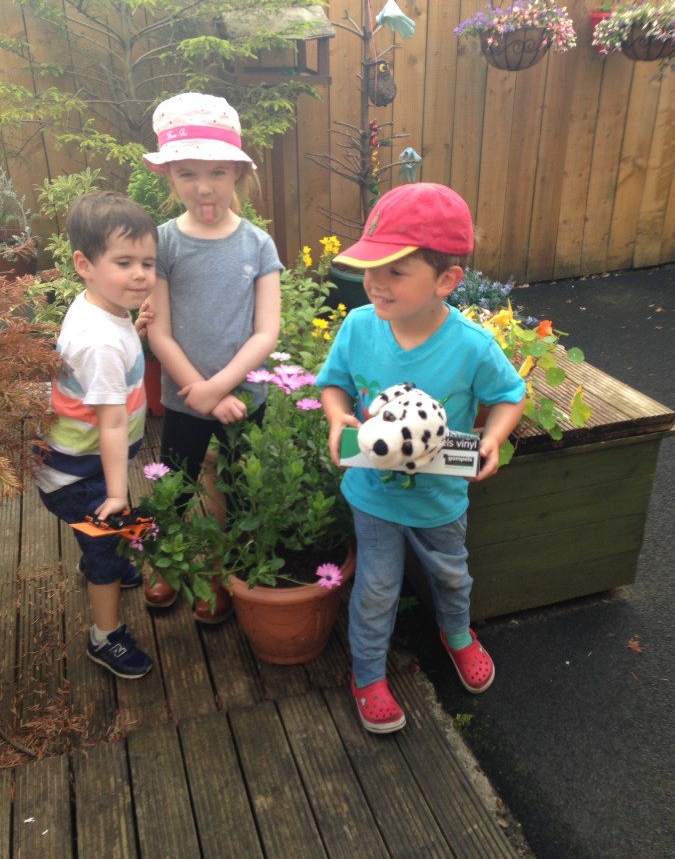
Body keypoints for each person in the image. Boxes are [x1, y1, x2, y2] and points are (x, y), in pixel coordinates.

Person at [316, 183, 526, 734]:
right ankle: (367, 674)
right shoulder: (359, 326)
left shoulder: (472, 346)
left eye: (395, 271)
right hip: (373, 496)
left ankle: (456, 633)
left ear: (446, 280)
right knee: (375, 589)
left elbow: (510, 395)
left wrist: (492, 437)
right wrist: (336, 416)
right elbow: (334, 384)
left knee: (452, 576)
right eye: (370, 267)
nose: (375, 283)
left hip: (441, 498)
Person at [142, 92, 283, 621]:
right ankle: (163, 562)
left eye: (217, 172)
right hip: (183, 399)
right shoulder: (162, 244)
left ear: (239, 173)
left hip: (244, 397)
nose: (204, 187)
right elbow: (160, 334)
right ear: (169, 176)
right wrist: (200, 394)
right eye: (188, 174)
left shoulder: (258, 245)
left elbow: (266, 332)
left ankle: (222, 571)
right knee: (175, 486)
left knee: (236, 490)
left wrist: (218, 388)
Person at [35, 191, 158, 679]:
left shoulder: (102, 308)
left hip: (79, 461)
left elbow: (111, 369)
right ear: (84, 264)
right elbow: (110, 422)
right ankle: (105, 636)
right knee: (109, 543)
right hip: (79, 474)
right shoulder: (101, 342)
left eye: (147, 263)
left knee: (111, 533)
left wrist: (136, 332)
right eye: (124, 263)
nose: (140, 274)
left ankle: (100, 551)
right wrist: (117, 493)